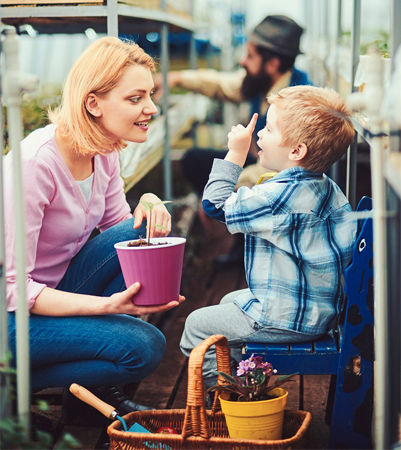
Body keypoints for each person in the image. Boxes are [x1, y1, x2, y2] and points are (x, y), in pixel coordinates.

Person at [4, 37, 185, 426]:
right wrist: (108, 308)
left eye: (149, 96)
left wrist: (149, 202)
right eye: (135, 98)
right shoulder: (35, 165)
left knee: (140, 237)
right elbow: (13, 289)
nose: (150, 108)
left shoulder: (100, 153)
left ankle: (86, 396)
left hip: (51, 293)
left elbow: (120, 231)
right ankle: (10, 386)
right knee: (145, 346)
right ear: (93, 103)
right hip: (11, 317)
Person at [179, 85, 357, 391]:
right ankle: (241, 378)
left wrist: (235, 153)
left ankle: (220, 402)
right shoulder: (323, 185)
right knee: (227, 301)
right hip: (319, 310)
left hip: (291, 318)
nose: (259, 134)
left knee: (197, 326)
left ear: (296, 151)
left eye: (269, 129)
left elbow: (214, 205)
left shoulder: (280, 196)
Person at [154, 14, 313, 265]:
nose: (242, 61)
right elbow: (225, 85)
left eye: (250, 56)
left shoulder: (297, 104)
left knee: (229, 179)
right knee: (194, 160)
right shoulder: (265, 79)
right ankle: (239, 239)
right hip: (258, 162)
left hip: (277, 179)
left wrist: (223, 191)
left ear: (272, 64)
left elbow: (278, 171)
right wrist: (176, 78)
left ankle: (248, 248)